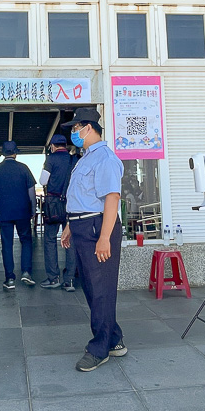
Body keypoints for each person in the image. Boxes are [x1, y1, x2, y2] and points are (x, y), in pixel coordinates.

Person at [60, 108, 127, 372]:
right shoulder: (85, 158)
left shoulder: (105, 159)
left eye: (76, 128)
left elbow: (112, 198)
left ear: (89, 128)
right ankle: (114, 339)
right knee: (91, 287)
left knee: (100, 289)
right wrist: (69, 226)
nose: (74, 133)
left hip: (97, 226)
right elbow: (81, 196)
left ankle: (99, 348)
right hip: (81, 225)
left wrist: (105, 238)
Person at [0, 141, 37, 290]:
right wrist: (33, 209)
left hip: (4, 212)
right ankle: (26, 272)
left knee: (7, 244)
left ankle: (9, 279)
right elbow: (31, 191)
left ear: (3, 153)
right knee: (26, 241)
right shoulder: (24, 168)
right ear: (15, 153)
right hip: (22, 212)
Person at [38, 134, 77, 290]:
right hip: (71, 204)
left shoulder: (51, 159)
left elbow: (43, 181)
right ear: (65, 145)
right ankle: (70, 280)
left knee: (49, 239)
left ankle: (53, 278)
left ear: (53, 146)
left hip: (53, 205)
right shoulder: (74, 160)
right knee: (70, 240)